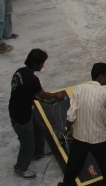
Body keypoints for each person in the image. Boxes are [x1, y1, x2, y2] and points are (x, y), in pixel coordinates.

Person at [9, 49, 65, 179]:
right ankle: (20, 167)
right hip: (21, 116)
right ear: (36, 64)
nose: (43, 65)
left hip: (24, 108)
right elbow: (43, 93)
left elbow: (27, 92)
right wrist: (57, 95)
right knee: (27, 144)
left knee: (40, 128)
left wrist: (40, 100)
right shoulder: (33, 79)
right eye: (42, 63)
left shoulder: (20, 72)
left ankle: (38, 152)